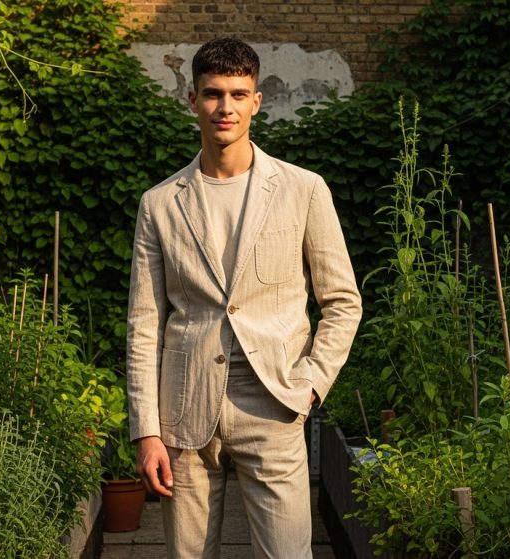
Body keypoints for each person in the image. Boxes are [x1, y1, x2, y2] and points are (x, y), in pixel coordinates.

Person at [126, 37, 362, 559]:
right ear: (192, 100)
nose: (224, 107)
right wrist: (146, 431)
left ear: (257, 100)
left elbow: (343, 301)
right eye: (213, 94)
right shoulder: (160, 203)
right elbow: (144, 323)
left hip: (275, 402)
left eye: (238, 93)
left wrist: (310, 386)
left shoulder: (304, 190)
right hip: (183, 412)